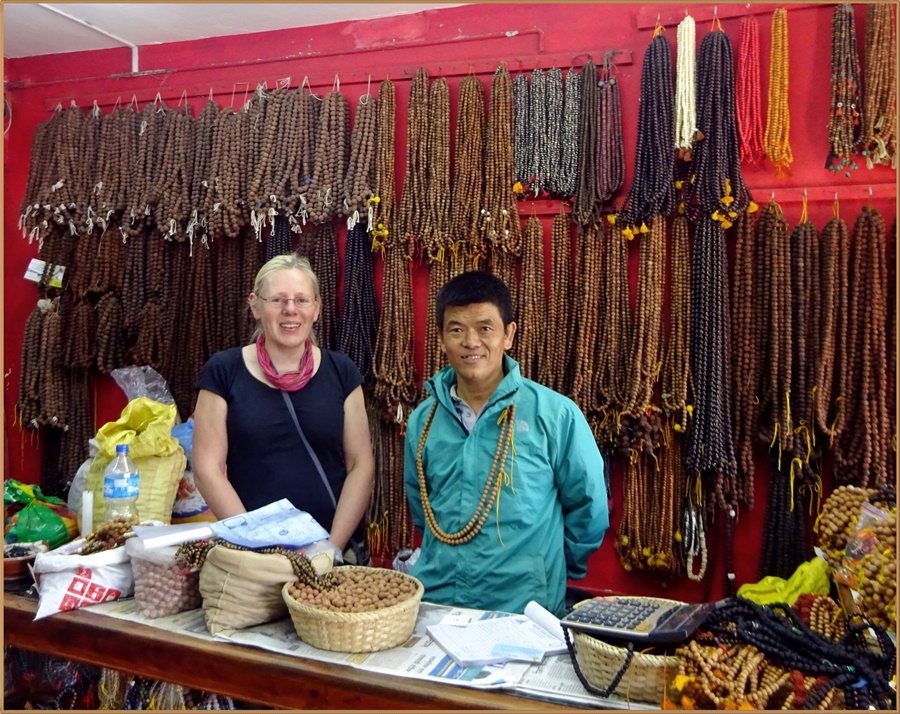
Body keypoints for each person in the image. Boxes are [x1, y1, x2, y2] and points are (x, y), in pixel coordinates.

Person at [404, 271, 608, 617]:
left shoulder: (554, 414)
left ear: (508, 335)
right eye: (456, 329)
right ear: (440, 339)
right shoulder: (423, 421)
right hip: (437, 603)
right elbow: (421, 509)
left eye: (485, 328)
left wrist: (549, 572)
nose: (471, 342)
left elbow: (589, 509)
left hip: (523, 608)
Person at [193, 254, 374, 558]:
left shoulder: (342, 372)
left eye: (302, 300)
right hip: (252, 554)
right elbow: (206, 469)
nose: (290, 310)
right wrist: (254, 543)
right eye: (278, 300)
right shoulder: (224, 371)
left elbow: (361, 466)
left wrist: (332, 548)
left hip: (332, 550)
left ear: (316, 308)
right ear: (255, 305)